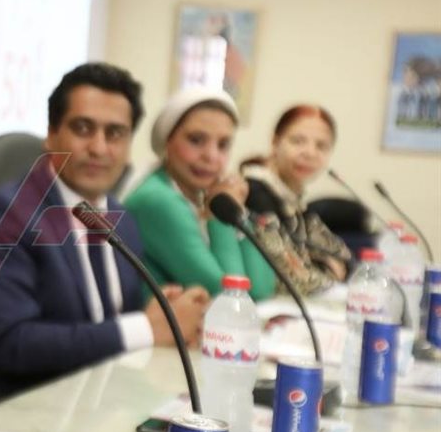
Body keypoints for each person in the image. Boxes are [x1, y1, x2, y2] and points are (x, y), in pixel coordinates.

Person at [0, 63, 209, 404]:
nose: (99, 148)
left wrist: (164, 311)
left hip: (103, 400)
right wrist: (147, 328)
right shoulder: (4, 215)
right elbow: (10, 342)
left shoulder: (120, 218)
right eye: (83, 128)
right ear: (51, 134)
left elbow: (108, 323)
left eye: (115, 133)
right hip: (15, 411)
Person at [125, 87, 276, 300]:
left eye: (223, 145)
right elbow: (232, 297)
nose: (211, 156)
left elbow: (261, 289)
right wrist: (219, 217)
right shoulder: (157, 200)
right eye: (196, 140)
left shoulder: (200, 195)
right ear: (167, 141)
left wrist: (235, 212)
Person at [239, 105, 351, 295]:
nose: (310, 153)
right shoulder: (256, 193)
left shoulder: (292, 197)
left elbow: (345, 258)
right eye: (298, 141)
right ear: (275, 142)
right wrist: (326, 268)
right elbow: (290, 277)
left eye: (321, 146)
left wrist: (317, 265)